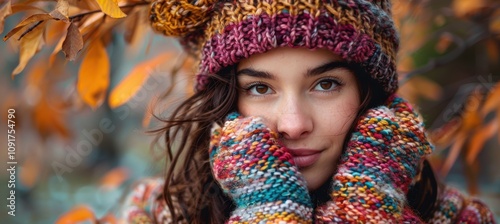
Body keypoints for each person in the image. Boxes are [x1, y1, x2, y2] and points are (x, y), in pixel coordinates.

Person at [107, 0, 496, 223]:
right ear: (225, 101)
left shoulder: (460, 219)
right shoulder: (155, 214)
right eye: (260, 88)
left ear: (369, 92)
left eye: (326, 84)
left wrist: (366, 210)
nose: (293, 124)